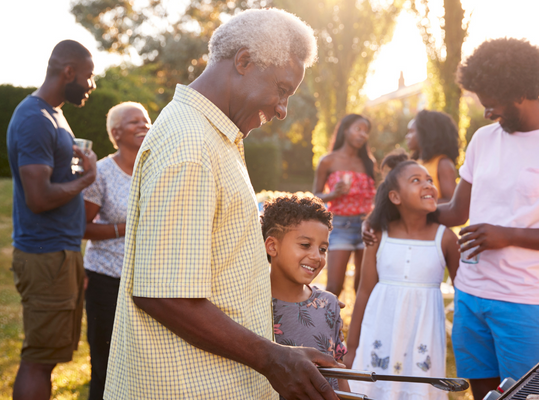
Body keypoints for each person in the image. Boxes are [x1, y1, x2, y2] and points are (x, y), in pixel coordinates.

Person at [104, 9, 343, 400]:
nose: (282, 108)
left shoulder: (213, 136)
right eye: (282, 89)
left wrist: (278, 351)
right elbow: (164, 293)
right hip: (185, 387)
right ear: (244, 61)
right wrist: (271, 359)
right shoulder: (191, 145)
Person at [439, 38, 539, 399]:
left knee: (528, 395)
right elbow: (456, 212)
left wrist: (506, 235)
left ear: (519, 93)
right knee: (484, 394)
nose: (486, 113)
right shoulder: (483, 140)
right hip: (470, 295)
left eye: (491, 103)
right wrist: (392, 210)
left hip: (526, 303)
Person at [6, 40, 97, 400]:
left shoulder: (54, 115)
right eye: (88, 77)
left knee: (52, 355)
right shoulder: (34, 118)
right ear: (68, 72)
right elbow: (39, 197)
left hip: (62, 251)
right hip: (45, 255)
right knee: (39, 359)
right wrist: (86, 180)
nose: (91, 85)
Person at [345, 160, 459, 400]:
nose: (428, 185)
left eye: (429, 179)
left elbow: (463, 294)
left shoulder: (445, 238)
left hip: (423, 337)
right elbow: (364, 291)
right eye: (416, 180)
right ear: (395, 197)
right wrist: (352, 347)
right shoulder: (377, 235)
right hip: (379, 333)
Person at [82, 102, 151, 400]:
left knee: (143, 364)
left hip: (148, 282)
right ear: (115, 133)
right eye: (134, 122)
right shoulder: (101, 173)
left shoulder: (157, 166)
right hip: (106, 280)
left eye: (146, 120)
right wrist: (129, 227)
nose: (144, 125)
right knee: (105, 361)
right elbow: (80, 227)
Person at [261, 195, 351, 396]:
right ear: (272, 246)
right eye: (305, 245)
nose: (316, 256)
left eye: (323, 249)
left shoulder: (329, 304)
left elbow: (338, 371)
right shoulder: (254, 304)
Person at [313, 114, 377, 296]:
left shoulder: (368, 163)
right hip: (340, 225)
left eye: (366, 131)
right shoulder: (328, 161)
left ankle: (362, 325)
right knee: (334, 286)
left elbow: (374, 197)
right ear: (346, 130)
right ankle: (328, 324)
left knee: (363, 287)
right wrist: (334, 194)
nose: (363, 134)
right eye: (358, 129)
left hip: (366, 226)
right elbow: (315, 196)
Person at [404, 110, 459, 203]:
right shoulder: (414, 162)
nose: (407, 136)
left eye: (411, 132)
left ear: (426, 133)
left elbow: (452, 203)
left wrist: (418, 203)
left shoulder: (443, 164)